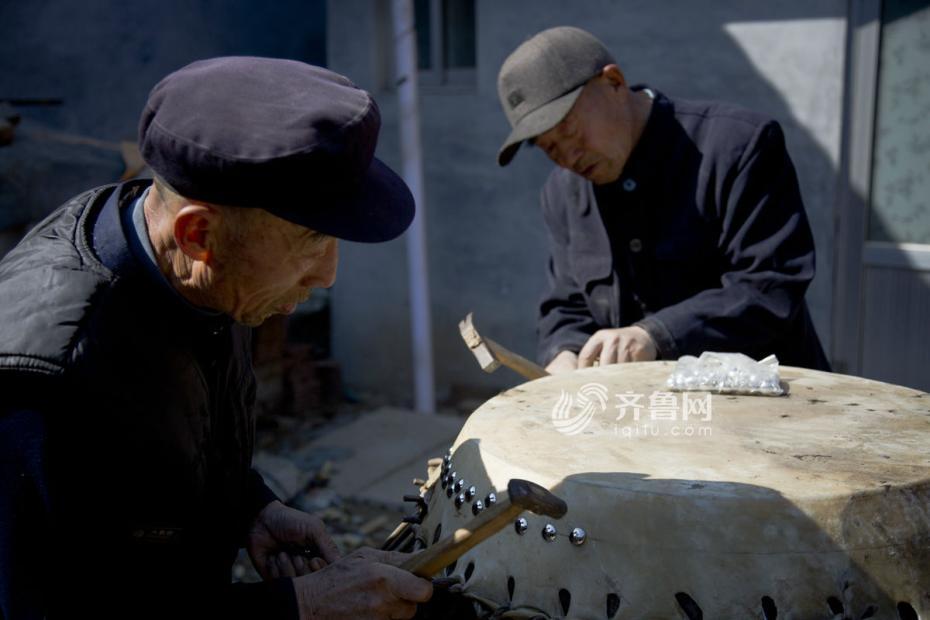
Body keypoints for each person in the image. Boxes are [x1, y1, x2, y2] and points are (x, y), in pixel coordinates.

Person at [0, 57, 432, 619]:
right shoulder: (41, 383)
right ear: (198, 233)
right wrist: (298, 607)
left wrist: (248, 505)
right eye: (309, 241)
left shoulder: (194, 267)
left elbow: (167, 444)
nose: (327, 274)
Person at [495, 26, 831, 374]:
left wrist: (656, 335)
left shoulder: (736, 148)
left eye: (569, 130)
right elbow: (567, 305)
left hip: (767, 406)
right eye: (550, 149)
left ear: (613, 82)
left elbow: (770, 284)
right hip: (644, 414)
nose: (569, 157)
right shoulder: (562, 193)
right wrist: (563, 351)